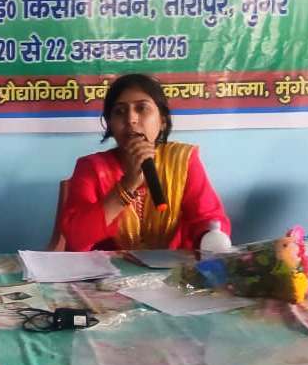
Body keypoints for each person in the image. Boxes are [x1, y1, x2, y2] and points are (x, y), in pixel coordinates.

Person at [60, 73, 231, 251]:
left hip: (170, 267)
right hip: (108, 268)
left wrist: (210, 237)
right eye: (119, 111)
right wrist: (127, 186)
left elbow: (208, 220)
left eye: (142, 108)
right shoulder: (92, 167)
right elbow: (76, 238)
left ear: (162, 120)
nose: (131, 119)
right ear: (110, 124)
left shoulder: (182, 161)